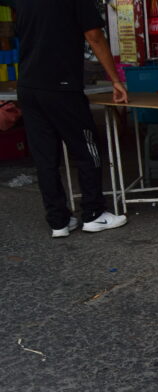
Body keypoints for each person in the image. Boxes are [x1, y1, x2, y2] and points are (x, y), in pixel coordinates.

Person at [16, 0, 128, 238]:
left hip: (28, 85)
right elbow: (94, 36)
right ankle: (94, 213)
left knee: (45, 157)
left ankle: (59, 221)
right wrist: (115, 80)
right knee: (87, 149)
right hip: (61, 85)